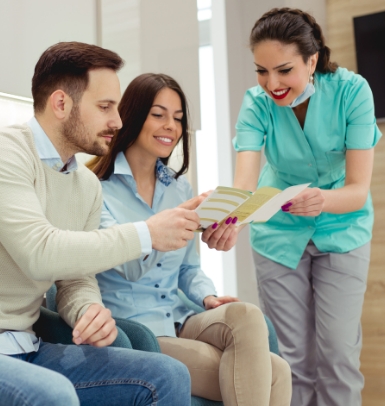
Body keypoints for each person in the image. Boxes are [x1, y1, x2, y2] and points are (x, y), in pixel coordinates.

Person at [0, 42, 199, 406]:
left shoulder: (85, 185)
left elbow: (75, 277)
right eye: (105, 107)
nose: (117, 121)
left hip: (23, 344)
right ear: (61, 104)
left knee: (166, 374)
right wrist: (146, 234)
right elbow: (40, 253)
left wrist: (86, 309)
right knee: (51, 394)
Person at [88, 73, 292, 406]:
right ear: (133, 115)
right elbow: (129, 268)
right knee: (275, 374)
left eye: (178, 118)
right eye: (159, 114)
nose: (170, 125)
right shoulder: (96, 189)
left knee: (249, 317)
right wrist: (168, 223)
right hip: (137, 329)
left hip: (180, 316)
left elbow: (188, 269)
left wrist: (207, 296)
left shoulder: (178, 188)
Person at [233, 8, 382, 406]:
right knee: (291, 361)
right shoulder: (256, 104)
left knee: (338, 355)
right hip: (278, 233)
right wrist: (229, 219)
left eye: (284, 70)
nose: (272, 84)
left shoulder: (353, 92)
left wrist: (322, 200)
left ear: (311, 60)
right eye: (261, 71)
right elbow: (244, 185)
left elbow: (357, 190)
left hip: (342, 228)